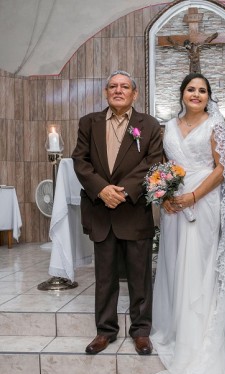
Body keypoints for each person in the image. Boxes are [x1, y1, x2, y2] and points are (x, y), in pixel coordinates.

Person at [126, 73, 225, 374]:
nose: (196, 94)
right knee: (175, 263)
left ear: (209, 96)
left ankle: (199, 333)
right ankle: (176, 328)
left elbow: (223, 169)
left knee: (199, 264)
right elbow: (163, 166)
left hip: (203, 202)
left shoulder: (215, 125)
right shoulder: (167, 127)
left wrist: (193, 197)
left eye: (202, 90)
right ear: (182, 94)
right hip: (173, 208)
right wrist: (164, 195)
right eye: (191, 89)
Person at [72, 70, 163, 355]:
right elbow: (80, 160)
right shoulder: (89, 122)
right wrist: (102, 190)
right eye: (112, 86)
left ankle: (141, 331)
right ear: (105, 92)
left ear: (135, 93)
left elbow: (154, 161)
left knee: (140, 276)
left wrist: (121, 191)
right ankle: (105, 331)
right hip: (101, 210)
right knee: (105, 277)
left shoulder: (148, 124)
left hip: (133, 209)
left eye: (125, 87)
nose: (118, 91)